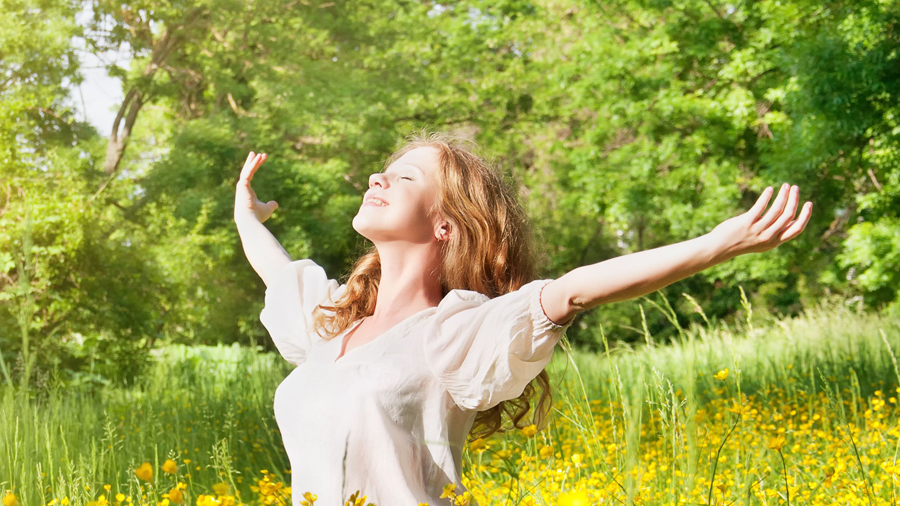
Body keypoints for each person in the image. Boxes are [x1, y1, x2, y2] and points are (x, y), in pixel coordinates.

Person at [233, 130, 813, 506]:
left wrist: (713, 245)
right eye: (383, 171)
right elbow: (280, 274)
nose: (376, 179)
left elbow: (574, 291)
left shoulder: (454, 333)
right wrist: (249, 217)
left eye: (405, 177)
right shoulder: (334, 328)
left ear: (446, 226)